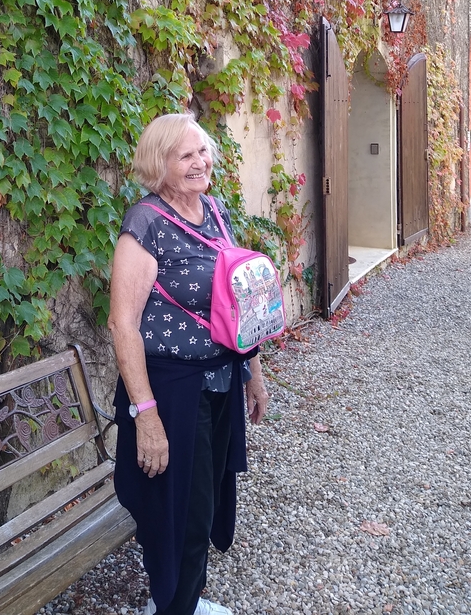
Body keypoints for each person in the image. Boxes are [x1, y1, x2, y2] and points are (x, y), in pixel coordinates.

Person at [108, 113, 270, 615]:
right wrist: (147, 417)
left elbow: (240, 302)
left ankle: (186, 601)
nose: (201, 162)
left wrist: (254, 374)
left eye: (203, 151)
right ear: (160, 164)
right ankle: (173, 606)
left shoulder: (215, 211)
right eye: (186, 155)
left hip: (220, 382)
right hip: (171, 393)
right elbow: (122, 325)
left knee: (206, 504)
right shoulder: (145, 225)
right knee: (182, 516)